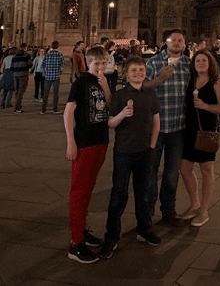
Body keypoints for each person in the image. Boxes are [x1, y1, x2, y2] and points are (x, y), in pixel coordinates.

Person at [98, 57, 161, 259]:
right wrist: (123, 113)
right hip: (124, 152)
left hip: (145, 152)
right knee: (119, 194)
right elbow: (111, 124)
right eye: (134, 70)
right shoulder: (120, 95)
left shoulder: (150, 94)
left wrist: (152, 147)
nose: (138, 73)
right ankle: (112, 237)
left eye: (141, 70)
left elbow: (156, 122)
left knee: (144, 193)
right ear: (126, 73)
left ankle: (145, 229)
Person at [63, 45, 111, 264]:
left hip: (101, 141)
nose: (100, 68)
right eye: (96, 64)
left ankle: (82, 231)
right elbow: (68, 111)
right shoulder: (81, 81)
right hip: (83, 143)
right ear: (88, 63)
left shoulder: (103, 81)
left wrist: (107, 87)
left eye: (104, 64)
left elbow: (109, 107)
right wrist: (70, 142)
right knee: (79, 192)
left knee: (88, 189)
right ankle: (75, 244)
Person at [145, 29, 191, 227]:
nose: (177, 43)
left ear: (184, 43)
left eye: (180, 40)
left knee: (172, 172)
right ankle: (146, 213)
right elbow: (140, 86)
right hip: (155, 126)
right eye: (174, 40)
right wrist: (159, 79)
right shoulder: (154, 62)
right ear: (166, 42)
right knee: (150, 171)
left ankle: (168, 210)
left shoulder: (188, 64)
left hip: (178, 126)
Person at [180, 49, 220, 228]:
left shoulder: (218, 82)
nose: (200, 63)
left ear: (210, 63)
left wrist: (205, 106)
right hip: (189, 129)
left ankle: (204, 210)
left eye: (204, 60)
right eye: (197, 60)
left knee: (206, 169)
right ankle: (195, 204)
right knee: (185, 168)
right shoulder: (191, 80)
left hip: (206, 130)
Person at [41, 41, 65, 114]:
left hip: (48, 76)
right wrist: (59, 72)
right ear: (58, 46)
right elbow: (62, 67)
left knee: (46, 92)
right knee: (55, 93)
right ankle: (55, 108)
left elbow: (43, 66)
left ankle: (43, 109)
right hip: (56, 76)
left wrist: (45, 73)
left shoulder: (47, 55)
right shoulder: (60, 55)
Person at [11, 43, 32, 113]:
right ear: (25, 48)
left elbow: (12, 67)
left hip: (15, 75)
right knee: (21, 91)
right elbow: (30, 64)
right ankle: (17, 107)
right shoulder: (27, 55)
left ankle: (18, 105)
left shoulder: (14, 56)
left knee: (16, 91)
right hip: (23, 74)